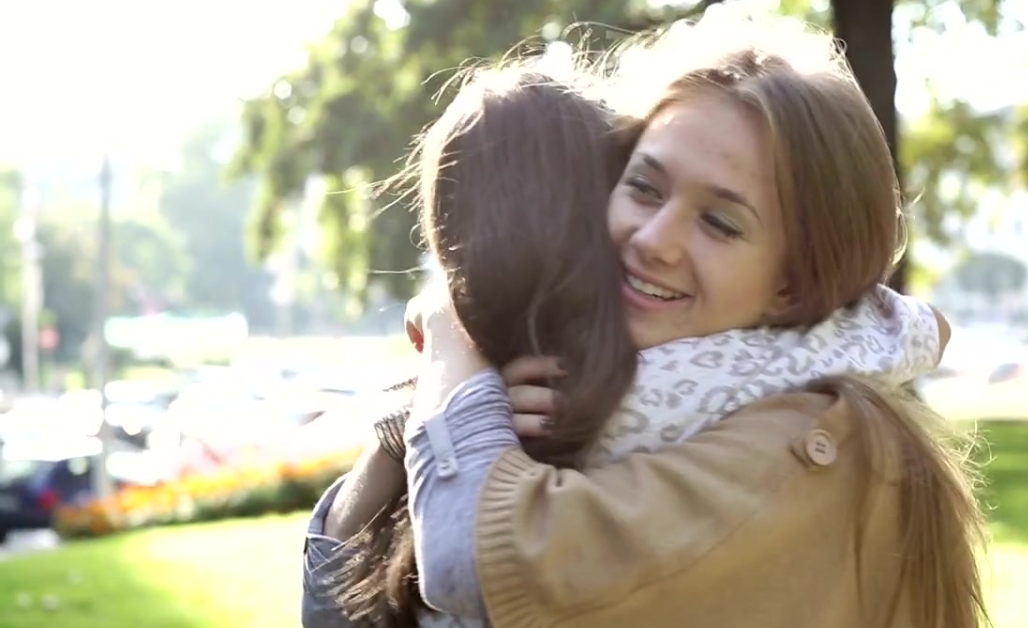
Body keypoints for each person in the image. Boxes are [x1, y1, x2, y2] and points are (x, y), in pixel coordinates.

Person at [304, 17, 985, 628]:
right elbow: (337, 611)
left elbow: (479, 566)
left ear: (793, 284)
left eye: (720, 222)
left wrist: (450, 339)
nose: (653, 238)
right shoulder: (571, 389)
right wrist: (405, 433)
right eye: (643, 187)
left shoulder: (807, 441)